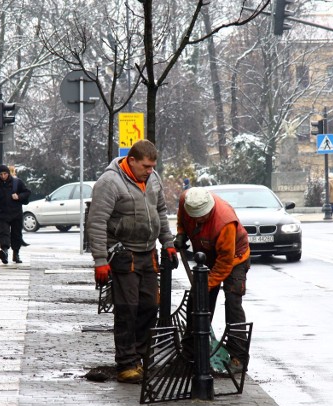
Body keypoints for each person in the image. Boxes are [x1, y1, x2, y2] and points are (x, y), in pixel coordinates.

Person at [86, 139, 177, 384]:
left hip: (148, 253)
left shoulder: (153, 178)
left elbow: (160, 212)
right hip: (123, 253)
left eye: (153, 166)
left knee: (150, 304)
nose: (150, 171)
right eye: (146, 166)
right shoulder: (109, 183)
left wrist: (167, 242)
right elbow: (96, 223)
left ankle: (139, 355)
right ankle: (126, 363)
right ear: (131, 160)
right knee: (128, 308)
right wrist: (100, 260)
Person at [175, 187, 250, 373]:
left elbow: (224, 264)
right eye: (195, 217)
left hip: (234, 258)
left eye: (202, 217)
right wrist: (181, 234)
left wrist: (207, 285)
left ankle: (238, 357)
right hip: (206, 256)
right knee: (196, 302)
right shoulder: (187, 200)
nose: (198, 220)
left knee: (233, 301)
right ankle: (189, 353)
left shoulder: (225, 222)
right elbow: (182, 221)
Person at [0, 165, 31, 264]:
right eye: (1, 174)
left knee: (16, 234)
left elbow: (27, 192)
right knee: (4, 233)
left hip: (16, 213)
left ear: (8, 173)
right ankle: (5, 252)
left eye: (5, 174)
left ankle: (16, 254)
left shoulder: (17, 182)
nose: (3, 176)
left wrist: (19, 196)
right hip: (3, 214)